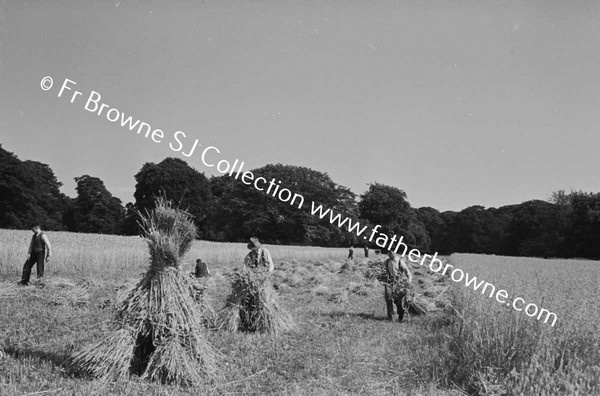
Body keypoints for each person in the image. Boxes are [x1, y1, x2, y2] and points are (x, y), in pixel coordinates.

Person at [383, 250, 412, 322]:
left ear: (394, 253)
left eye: (390, 253)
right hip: (389, 283)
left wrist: (408, 282)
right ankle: (390, 317)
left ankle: (401, 313)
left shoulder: (399, 261)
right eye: (388, 253)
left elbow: (408, 272)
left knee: (397, 301)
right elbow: (382, 269)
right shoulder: (386, 261)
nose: (389, 255)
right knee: (388, 298)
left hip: (398, 283)